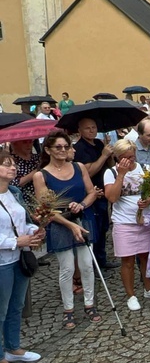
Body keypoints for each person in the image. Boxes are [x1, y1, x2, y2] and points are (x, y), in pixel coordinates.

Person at [32, 133, 99, 329]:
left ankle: (90, 303)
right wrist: (70, 224)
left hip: (82, 218)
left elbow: (91, 192)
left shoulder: (78, 167)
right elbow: (46, 209)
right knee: (67, 268)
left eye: (65, 146)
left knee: (87, 265)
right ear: (48, 150)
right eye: (58, 147)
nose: (62, 150)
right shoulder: (41, 175)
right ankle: (68, 309)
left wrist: (82, 205)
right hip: (60, 223)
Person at [103, 139, 150, 311]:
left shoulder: (144, 169)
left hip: (145, 220)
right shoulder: (111, 173)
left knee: (146, 257)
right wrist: (121, 174)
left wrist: (148, 201)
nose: (130, 160)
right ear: (118, 157)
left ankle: (149, 288)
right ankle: (131, 295)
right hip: (124, 222)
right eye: (125, 157)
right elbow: (112, 198)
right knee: (128, 261)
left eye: (132, 156)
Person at [0, 150, 45, 363]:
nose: (13, 167)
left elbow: (23, 221)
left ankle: (13, 348)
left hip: (19, 258)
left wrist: (34, 230)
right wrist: (14, 242)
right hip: (2, 261)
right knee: (0, 310)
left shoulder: (15, 192)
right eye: (6, 164)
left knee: (16, 306)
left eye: (13, 164)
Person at [73, 118, 119, 270]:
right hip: (91, 194)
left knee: (104, 227)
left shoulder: (99, 143)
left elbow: (110, 167)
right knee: (95, 229)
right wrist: (104, 155)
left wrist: (110, 154)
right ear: (80, 131)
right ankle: (94, 266)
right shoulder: (79, 148)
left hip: (104, 190)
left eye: (94, 127)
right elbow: (89, 170)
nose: (92, 130)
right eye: (87, 128)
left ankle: (102, 259)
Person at [9, 140, 40, 206]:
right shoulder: (10, 161)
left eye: (31, 142)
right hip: (21, 202)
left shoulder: (37, 158)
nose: (28, 145)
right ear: (15, 143)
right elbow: (13, 183)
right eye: (24, 142)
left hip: (40, 201)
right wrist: (34, 173)